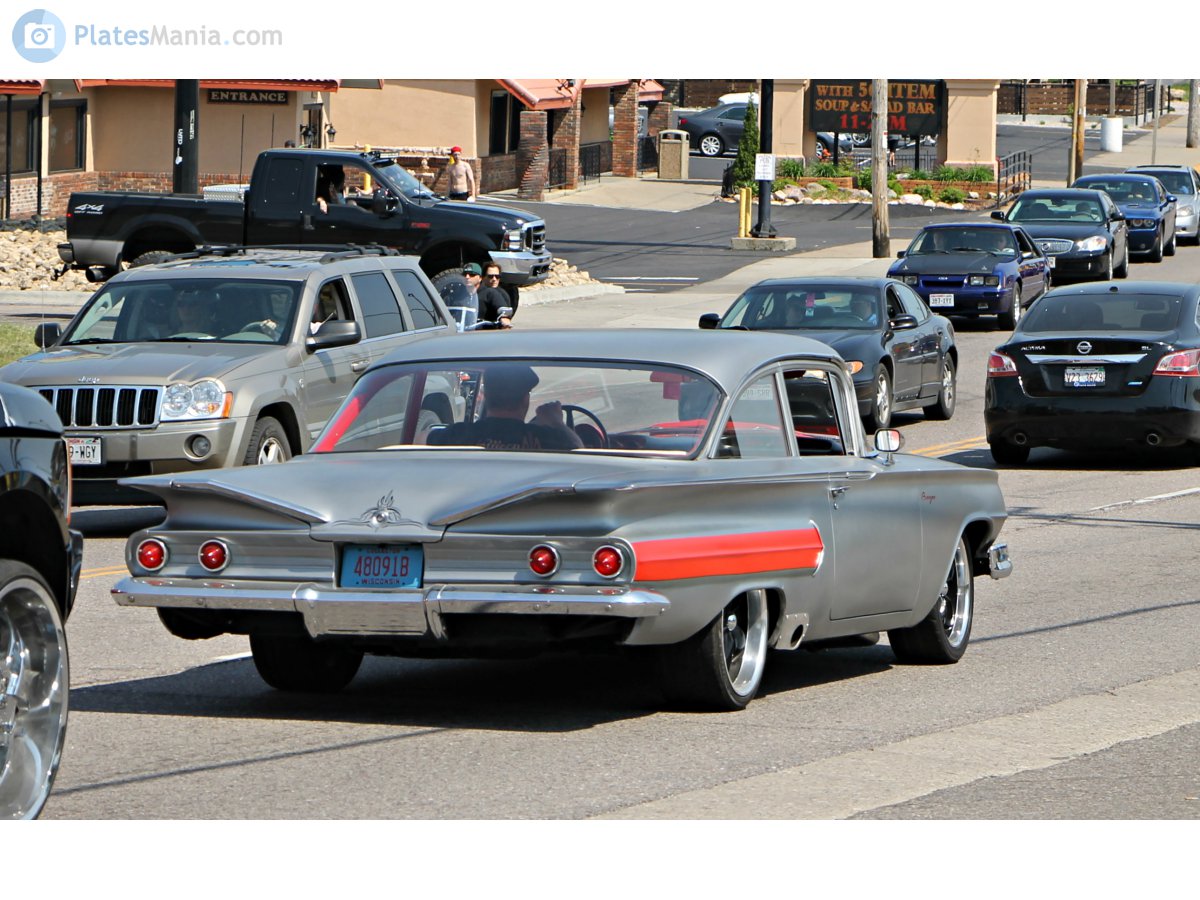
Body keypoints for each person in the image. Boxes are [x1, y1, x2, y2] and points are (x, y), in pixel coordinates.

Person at [427, 365, 582, 451]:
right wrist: (556, 422)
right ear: (525, 400)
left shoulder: (460, 434)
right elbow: (578, 450)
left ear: (485, 396)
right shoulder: (547, 438)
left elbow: (421, 441)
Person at [478, 262, 513, 328]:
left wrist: (504, 319)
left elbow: (506, 316)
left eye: (497, 276)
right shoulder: (477, 292)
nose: (494, 279)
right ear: (483, 277)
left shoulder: (503, 294)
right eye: (490, 276)